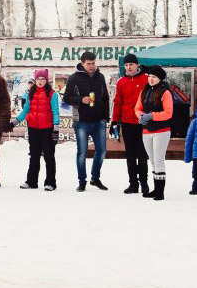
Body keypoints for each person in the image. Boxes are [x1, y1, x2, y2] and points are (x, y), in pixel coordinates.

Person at [63, 50, 111, 191]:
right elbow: (66, 98)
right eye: (89, 63)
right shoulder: (74, 78)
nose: (91, 66)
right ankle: (82, 181)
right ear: (82, 63)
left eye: (93, 63)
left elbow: (105, 98)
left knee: (101, 150)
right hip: (81, 121)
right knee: (82, 152)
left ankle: (95, 178)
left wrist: (105, 117)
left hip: (99, 121)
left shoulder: (100, 76)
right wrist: (80, 99)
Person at [16, 69, 60, 191]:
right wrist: (15, 121)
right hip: (33, 128)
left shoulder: (52, 94)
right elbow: (25, 110)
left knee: (49, 156)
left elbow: (55, 111)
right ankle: (31, 181)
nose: (40, 81)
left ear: (46, 80)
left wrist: (56, 128)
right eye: (38, 79)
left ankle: (50, 182)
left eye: (43, 79)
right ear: (35, 80)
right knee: (34, 155)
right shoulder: (31, 93)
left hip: (47, 128)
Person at [135, 64, 174, 200]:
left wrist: (152, 115)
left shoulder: (165, 92)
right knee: (152, 159)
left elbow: (168, 113)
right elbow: (137, 107)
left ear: (160, 78)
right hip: (147, 130)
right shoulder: (144, 91)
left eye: (154, 77)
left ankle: (160, 191)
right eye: (149, 76)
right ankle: (155, 189)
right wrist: (140, 116)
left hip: (161, 130)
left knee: (158, 159)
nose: (151, 79)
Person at [111, 53, 149, 195]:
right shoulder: (121, 82)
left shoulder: (146, 79)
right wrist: (115, 120)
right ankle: (133, 183)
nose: (128, 67)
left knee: (142, 154)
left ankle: (144, 183)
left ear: (137, 65)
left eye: (131, 64)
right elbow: (118, 102)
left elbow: (151, 99)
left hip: (142, 122)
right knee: (130, 154)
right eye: (126, 65)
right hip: (127, 122)